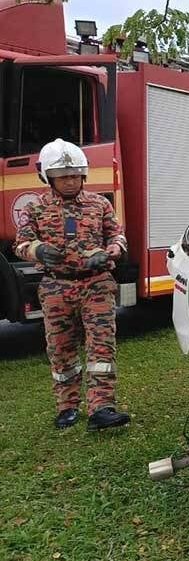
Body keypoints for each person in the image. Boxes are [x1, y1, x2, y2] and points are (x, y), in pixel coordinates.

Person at [14, 139, 132, 430]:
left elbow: (116, 235)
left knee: (101, 346)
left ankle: (102, 408)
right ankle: (67, 406)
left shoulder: (100, 204)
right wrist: (38, 250)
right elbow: (21, 244)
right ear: (48, 177)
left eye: (75, 176)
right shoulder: (35, 208)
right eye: (62, 177)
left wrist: (114, 249)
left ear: (84, 175)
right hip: (56, 288)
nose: (69, 182)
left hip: (96, 285)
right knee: (60, 348)